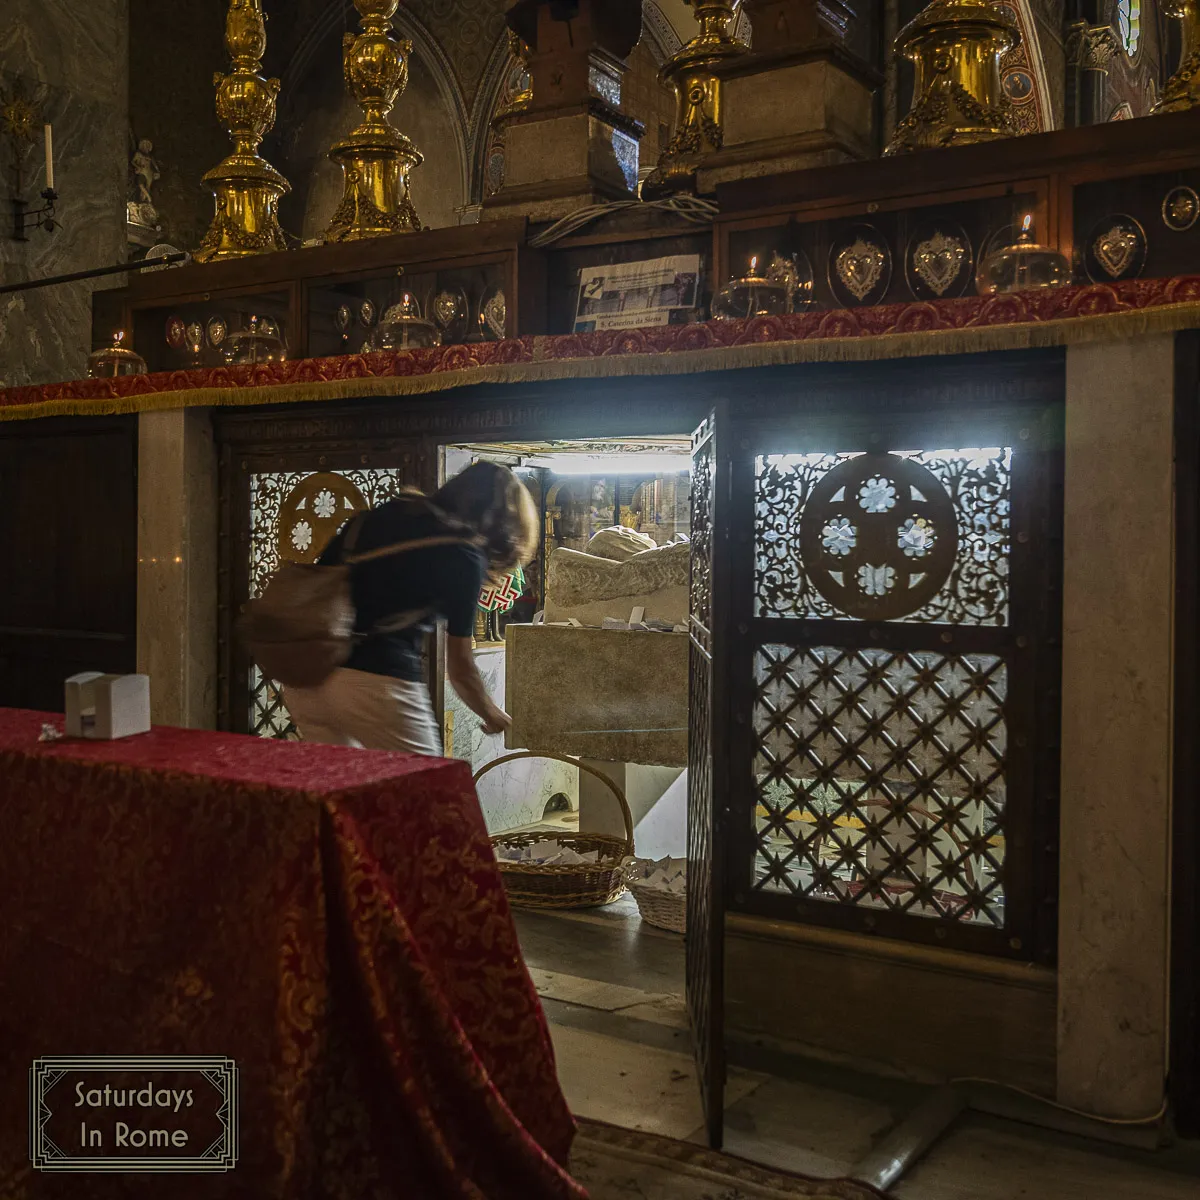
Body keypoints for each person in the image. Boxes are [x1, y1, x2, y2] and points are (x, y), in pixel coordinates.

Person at [285, 461, 538, 754]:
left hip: (305, 679)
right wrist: (491, 713)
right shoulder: (464, 555)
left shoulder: (371, 520)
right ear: (501, 522)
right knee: (428, 791)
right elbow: (461, 668)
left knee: (343, 792)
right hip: (376, 684)